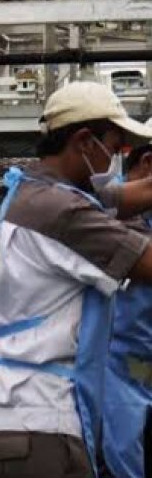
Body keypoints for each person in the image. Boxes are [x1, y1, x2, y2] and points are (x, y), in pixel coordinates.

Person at [0, 81, 152, 478]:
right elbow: (146, 263)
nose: (115, 161)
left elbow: (126, 196)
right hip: (34, 428)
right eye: (113, 149)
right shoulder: (62, 211)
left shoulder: (34, 191)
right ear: (84, 141)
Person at [100, 143, 152, 478]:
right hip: (118, 362)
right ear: (147, 162)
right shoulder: (105, 210)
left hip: (140, 361)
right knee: (120, 452)